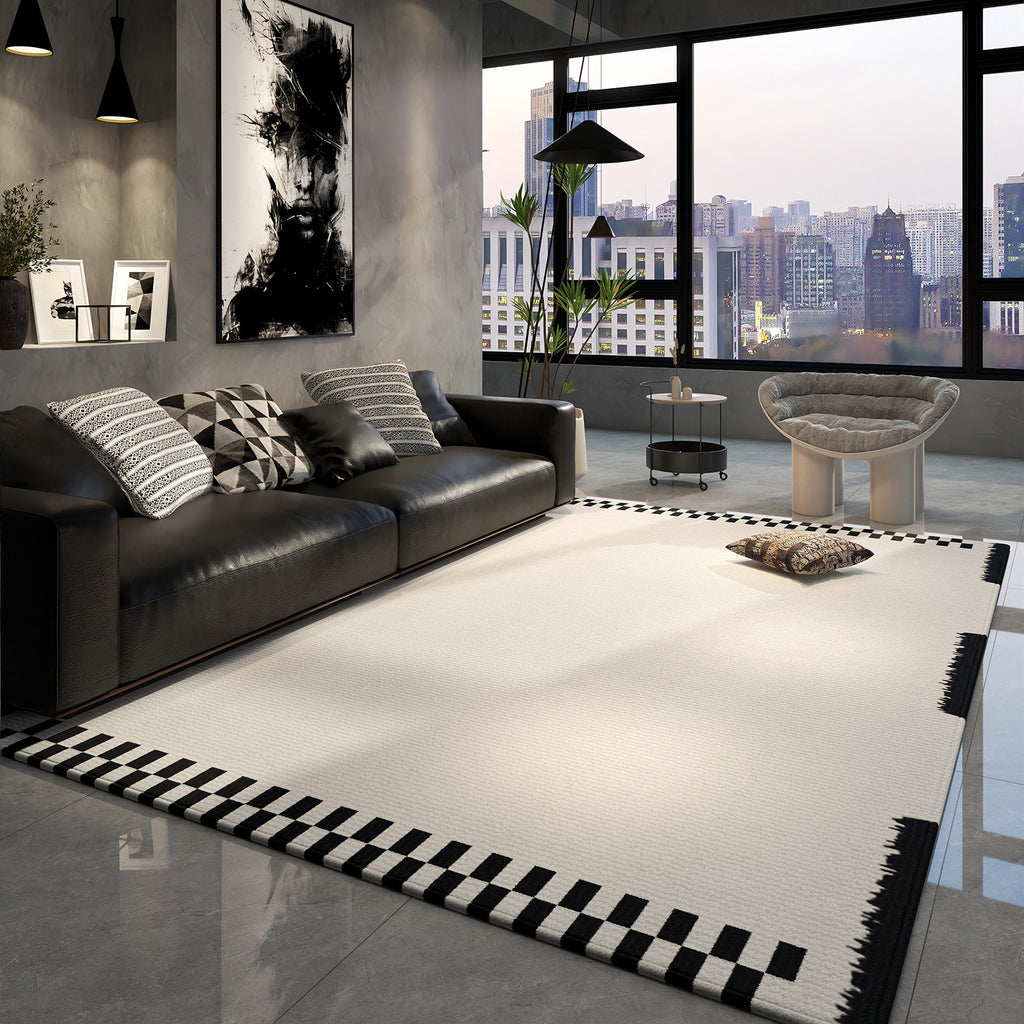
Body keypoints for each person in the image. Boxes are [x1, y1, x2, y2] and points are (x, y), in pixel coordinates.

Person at [223, 5, 353, 341]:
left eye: (321, 156)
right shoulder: (245, 307)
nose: (304, 179)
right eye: (286, 152)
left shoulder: (351, 292)